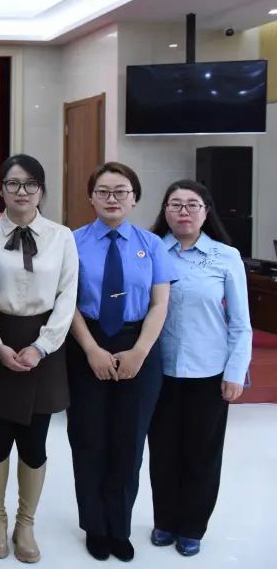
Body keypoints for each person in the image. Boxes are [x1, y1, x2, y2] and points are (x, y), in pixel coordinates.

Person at [66, 162, 174, 562]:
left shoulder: (152, 244)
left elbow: (160, 303)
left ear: (134, 198)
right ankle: (95, 526)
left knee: (129, 442)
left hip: (138, 343)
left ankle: (119, 526)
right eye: (104, 191)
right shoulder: (72, 242)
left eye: (121, 191)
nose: (112, 199)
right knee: (89, 439)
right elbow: (67, 301)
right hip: (86, 341)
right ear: (91, 197)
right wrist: (91, 349)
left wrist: (140, 352)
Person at [0, 155, 78, 563]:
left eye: (30, 183)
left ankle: (26, 523)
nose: (22, 191)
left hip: (45, 345)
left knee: (35, 442)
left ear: (41, 189)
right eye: (13, 183)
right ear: (1, 188)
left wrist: (42, 346)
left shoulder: (61, 236)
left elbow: (67, 296)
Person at [147, 179, 251, 557]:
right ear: (165, 211)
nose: (184, 211)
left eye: (193, 204)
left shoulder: (226, 256)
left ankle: (192, 527)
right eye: (175, 204)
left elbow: (240, 322)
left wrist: (235, 372)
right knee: (162, 451)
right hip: (158, 372)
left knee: (201, 454)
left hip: (209, 372)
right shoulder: (152, 250)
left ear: (206, 212)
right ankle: (165, 520)